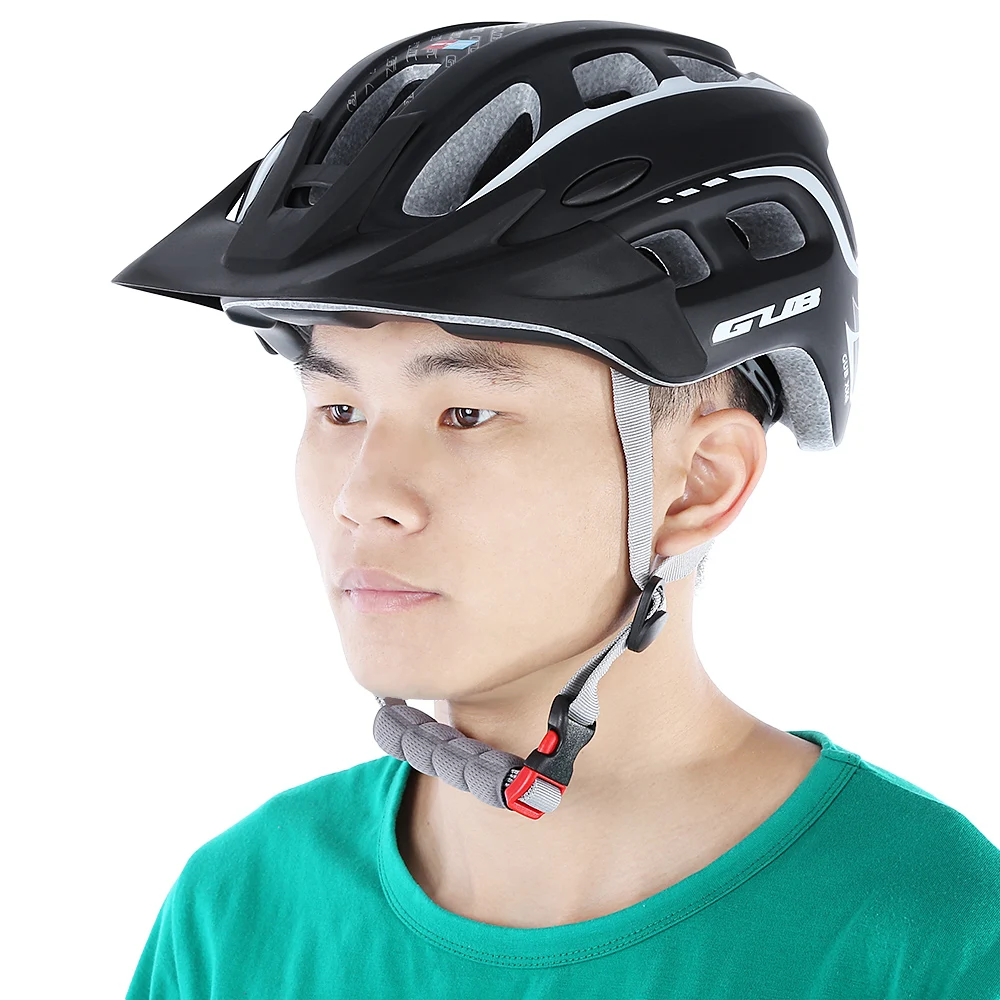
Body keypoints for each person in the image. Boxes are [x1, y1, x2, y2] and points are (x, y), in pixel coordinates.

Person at [114, 20, 1000, 999]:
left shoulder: (930, 934)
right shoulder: (240, 910)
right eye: (340, 410)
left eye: (466, 412)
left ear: (698, 484)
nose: (363, 497)